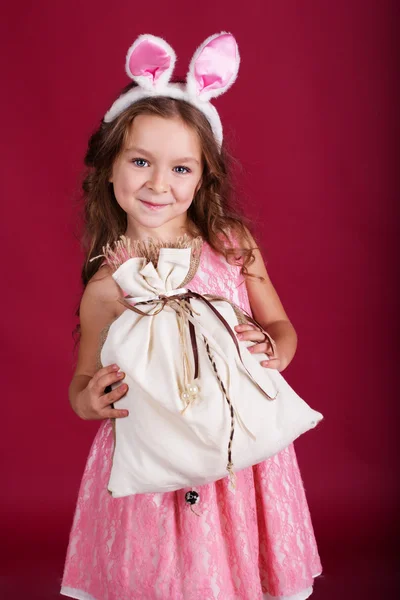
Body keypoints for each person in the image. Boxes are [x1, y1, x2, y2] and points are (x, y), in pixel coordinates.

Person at [61, 32, 322, 600]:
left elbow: (282, 329)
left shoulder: (230, 244)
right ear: (110, 168)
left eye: (181, 168)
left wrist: (274, 347)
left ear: (203, 177)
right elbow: (82, 384)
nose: (159, 183)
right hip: (150, 463)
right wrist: (90, 398)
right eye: (140, 162)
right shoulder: (107, 283)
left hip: (238, 455)